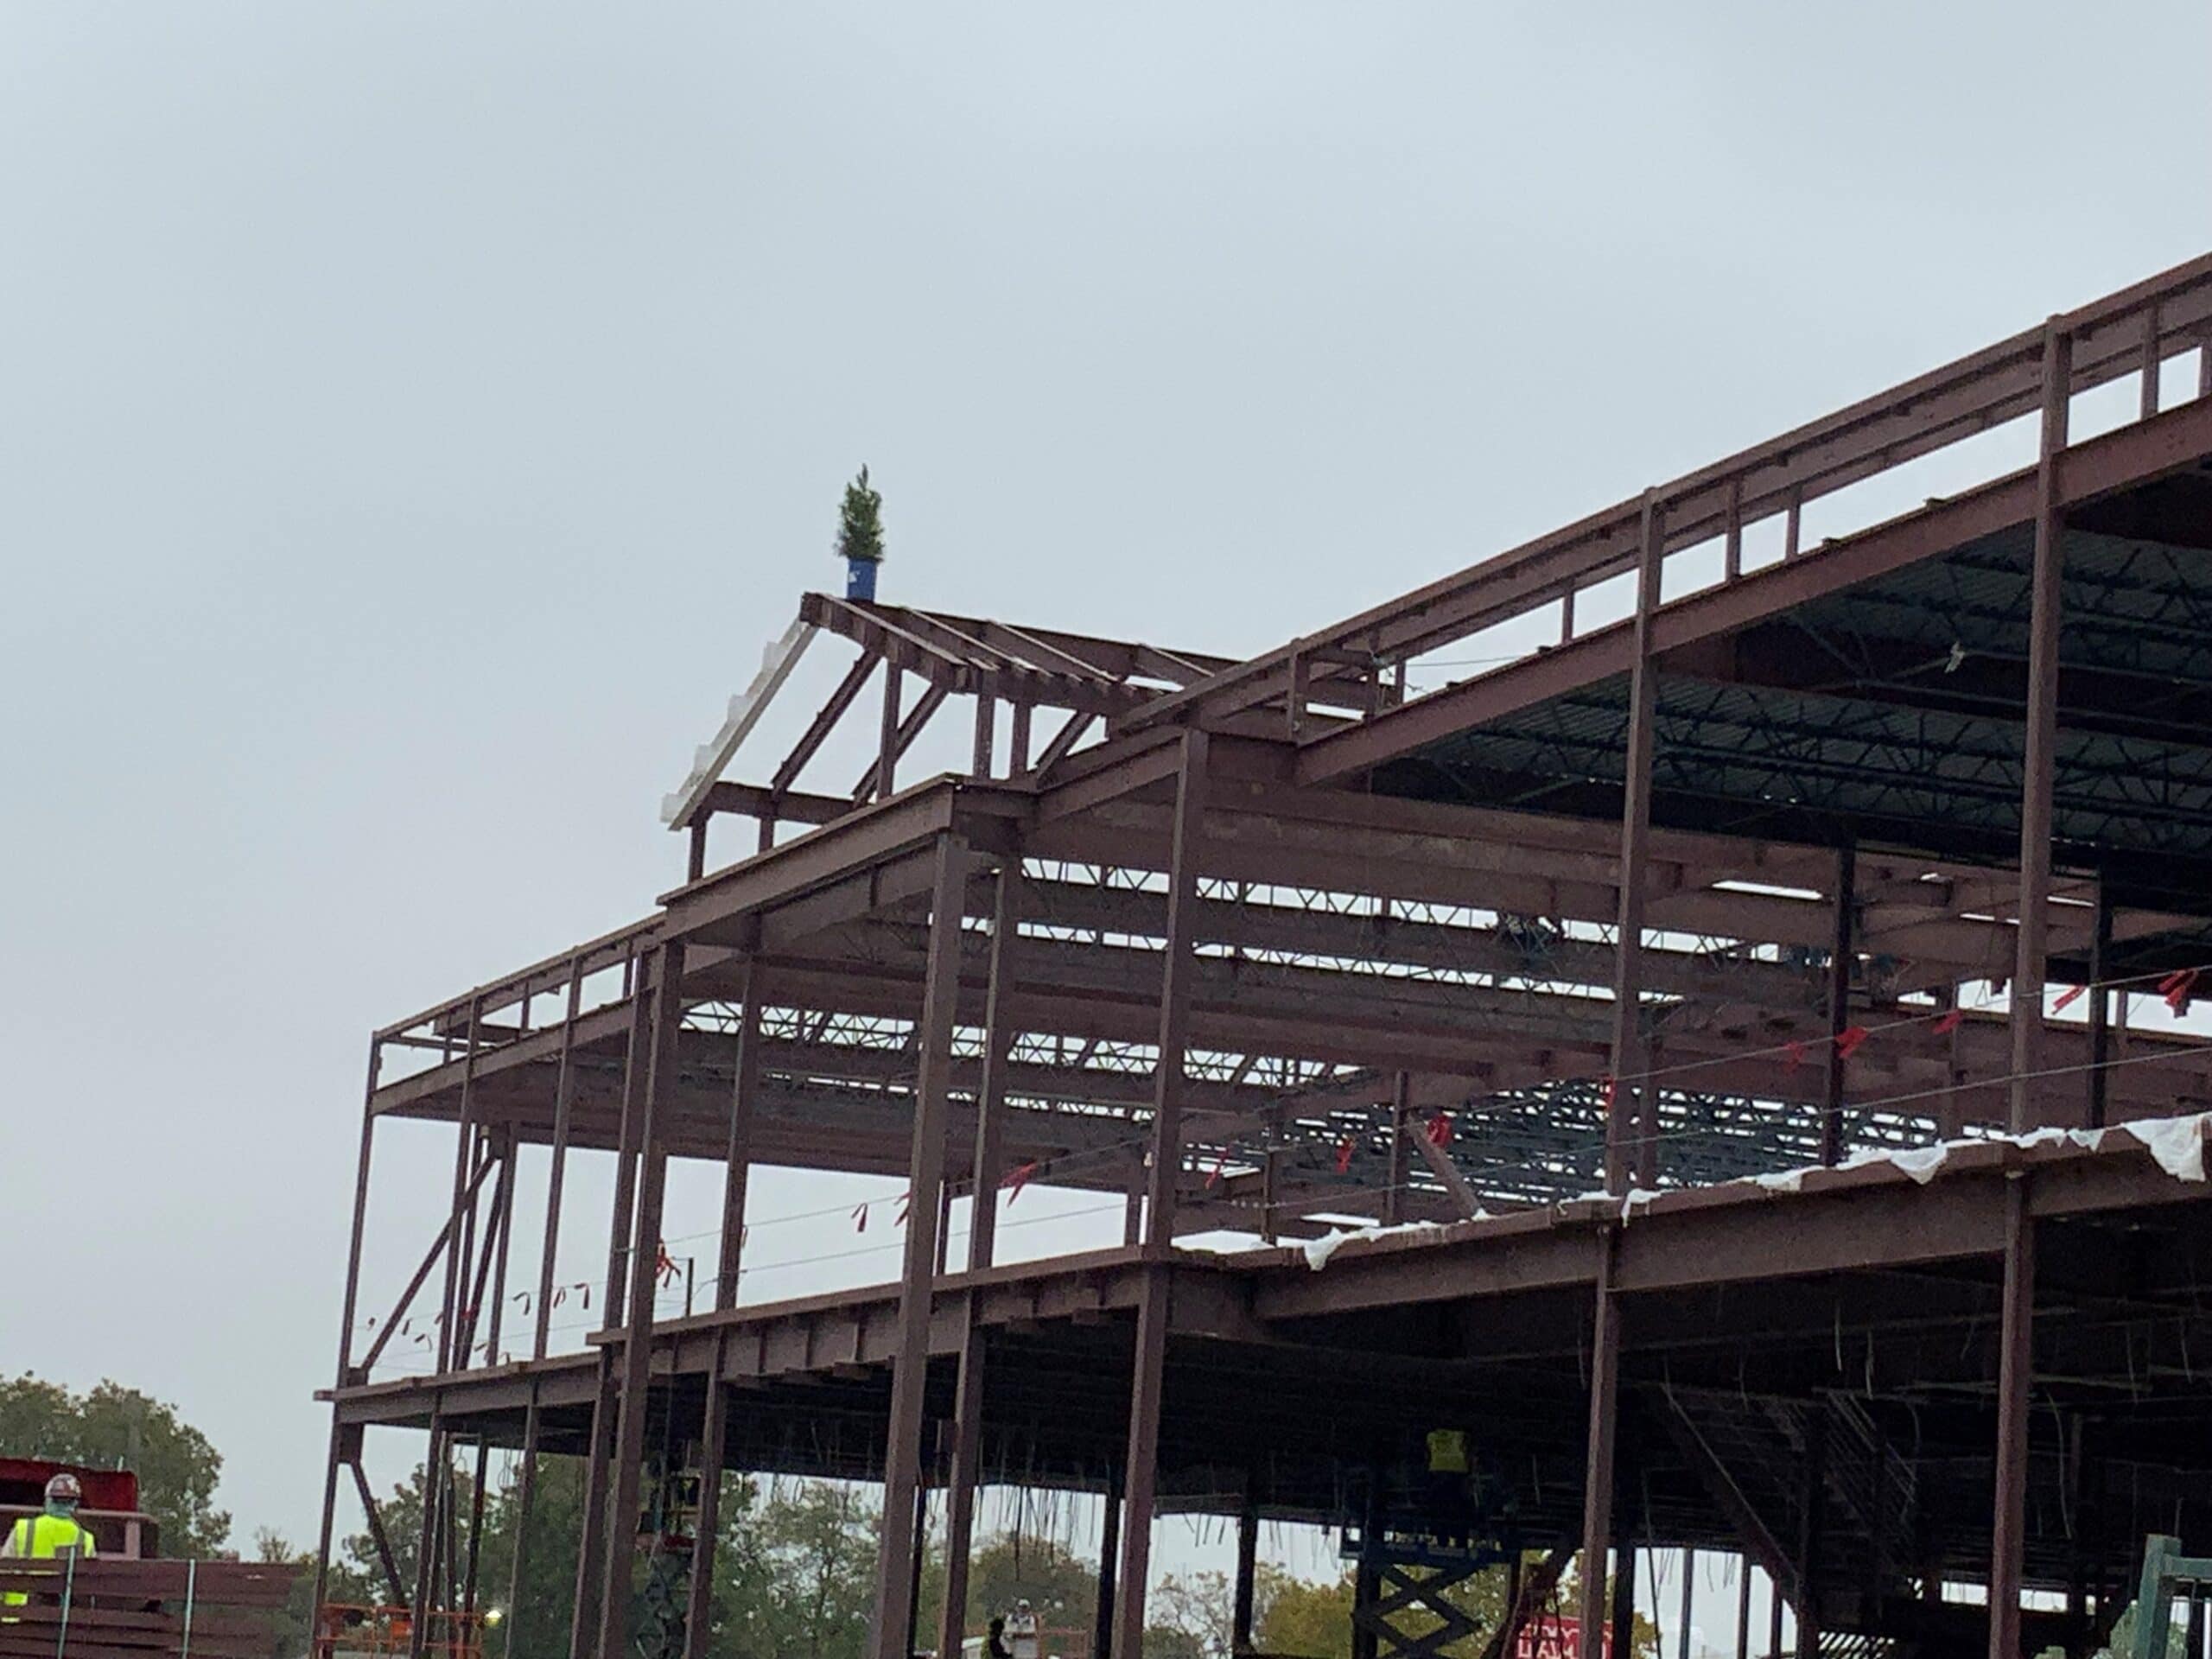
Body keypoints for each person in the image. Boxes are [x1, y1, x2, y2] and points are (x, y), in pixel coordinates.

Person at [2, 1474, 98, 1610]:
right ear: (75, 1504)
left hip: (17, 1617)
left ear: (48, 1500)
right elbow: (88, 1589)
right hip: (62, 1624)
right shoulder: (86, 1539)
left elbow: (3, 1569)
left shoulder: (23, 1529)